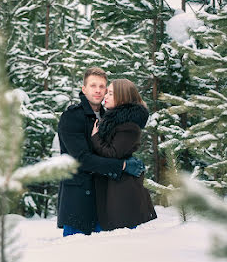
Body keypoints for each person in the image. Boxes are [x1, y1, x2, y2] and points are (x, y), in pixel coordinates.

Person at [57, 67, 145, 237]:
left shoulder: (109, 116)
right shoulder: (72, 117)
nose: (98, 90)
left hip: (104, 199)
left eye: (102, 86)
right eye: (93, 85)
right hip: (79, 199)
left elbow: (116, 148)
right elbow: (82, 159)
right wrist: (123, 166)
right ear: (84, 89)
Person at [91, 79, 157, 231]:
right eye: (107, 92)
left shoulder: (129, 125)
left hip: (122, 188)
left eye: (111, 93)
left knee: (122, 237)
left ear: (122, 97)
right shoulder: (113, 120)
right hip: (114, 182)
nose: (105, 96)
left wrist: (95, 137)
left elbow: (112, 153)